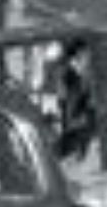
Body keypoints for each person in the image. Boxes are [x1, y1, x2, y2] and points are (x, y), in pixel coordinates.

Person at [42, 36, 99, 168]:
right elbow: (69, 103)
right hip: (74, 128)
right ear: (80, 53)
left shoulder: (78, 73)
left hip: (78, 127)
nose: (89, 57)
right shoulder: (69, 74)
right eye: (87, 53)